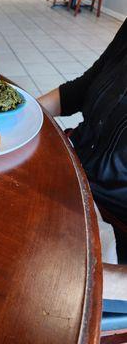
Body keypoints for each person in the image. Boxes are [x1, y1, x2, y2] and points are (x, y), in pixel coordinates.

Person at [38, 18, 127, 264]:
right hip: (71, 165)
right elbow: (85, 87)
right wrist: (23, 110)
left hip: (111, 230)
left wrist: (89, 279)